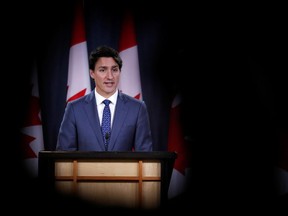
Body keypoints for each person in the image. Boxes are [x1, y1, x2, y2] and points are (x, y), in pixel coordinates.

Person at [56, 45, 153, 151]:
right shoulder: (74, 109)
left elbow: (145, 156)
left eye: (114, 70)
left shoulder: (137, 108)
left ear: (120, 72)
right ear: (92, 73)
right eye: (103, 70)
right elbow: (64, 157)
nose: (110, 76)